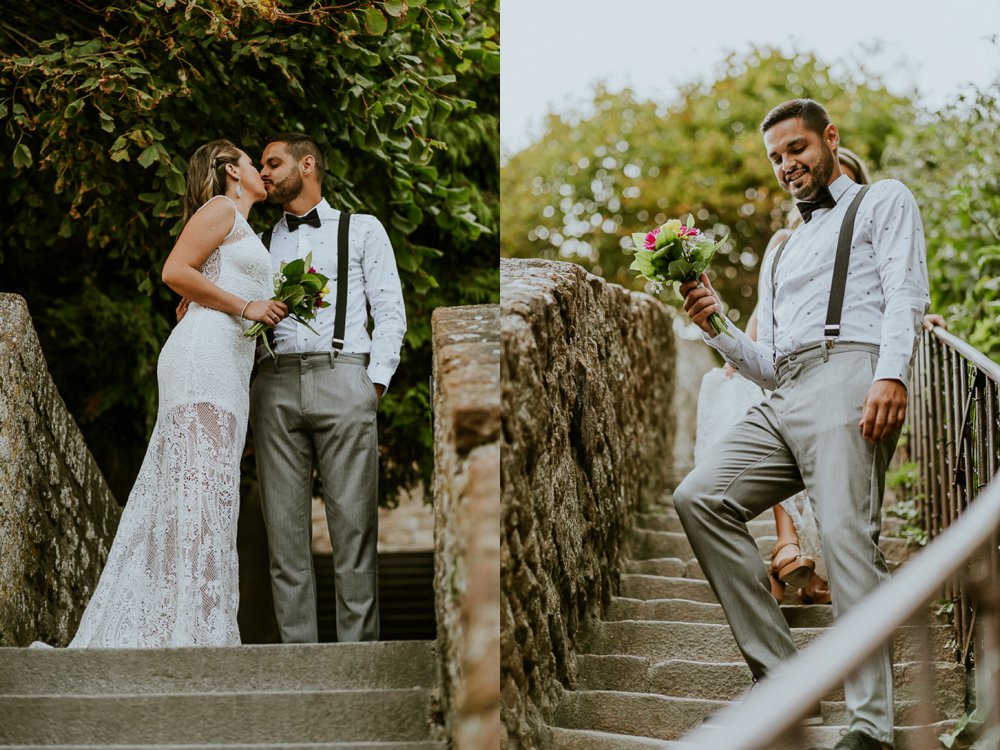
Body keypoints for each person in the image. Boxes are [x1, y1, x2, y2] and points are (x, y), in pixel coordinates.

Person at [675, 99, 930, 750]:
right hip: (785, 392)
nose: (787, 164)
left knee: (847, 535)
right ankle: (783, 679)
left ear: (829, 139)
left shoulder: (882, 202)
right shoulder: (785, 249)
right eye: (777, 157)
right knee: (701, 497)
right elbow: (767, 363)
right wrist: (717, 325)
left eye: (797, 149)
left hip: (852, 374)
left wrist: (891, 373)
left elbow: (906, 292)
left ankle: (872, 725)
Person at [42, 140, 289, 648]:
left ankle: (194, 621)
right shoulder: (220, 208)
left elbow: (201, 281)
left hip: (230, 369)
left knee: (209, 495)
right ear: (230, 172)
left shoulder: (244, 226)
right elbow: (175, 271)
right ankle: (183, 628)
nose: (262, 170)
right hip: (203, 360)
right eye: (252, 161)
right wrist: (245, 307)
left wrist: (232, 303)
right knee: (195, 494)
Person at [250, 133, 406, 644]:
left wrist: (372, 385)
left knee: (354, 530)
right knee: (284, 538)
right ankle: (298, 659)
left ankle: (357, 657)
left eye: (274, 163)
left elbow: (389, 312)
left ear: (308, 164)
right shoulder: (258, 240)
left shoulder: (362, 229)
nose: (265, 173)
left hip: (344, 376)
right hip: (274, 383)